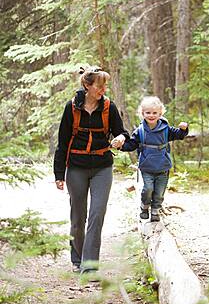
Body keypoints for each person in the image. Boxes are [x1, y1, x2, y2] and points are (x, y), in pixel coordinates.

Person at [54, 66, 129, 275]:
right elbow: (62, 143)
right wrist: (59, 174)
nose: (103, 89)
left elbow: (122, 132)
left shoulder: (108, 107)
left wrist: (121, 138)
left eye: (105, 85)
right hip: (76, 168)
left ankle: (90, 266)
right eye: (99, 85)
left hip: (102, 167)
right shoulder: (72, 108)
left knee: (97, 214)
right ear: (87, 86)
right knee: (78, 217)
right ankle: (77, 258)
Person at [118, 96, 188, 222]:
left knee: (159, 191)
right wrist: (121, 146)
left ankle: (155, 210)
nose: (151, 115)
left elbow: (179, 135)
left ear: (160, 113)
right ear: (142, 113)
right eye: (148, 113)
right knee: (148, 188)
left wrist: (183, 129)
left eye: (154, 113)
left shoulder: (166, 129)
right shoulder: (140, 131)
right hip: (147, 167)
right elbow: (132, 144)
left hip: (163, 166)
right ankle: (144, 207)